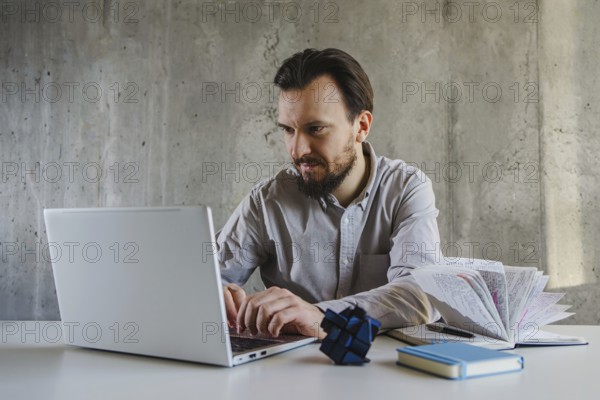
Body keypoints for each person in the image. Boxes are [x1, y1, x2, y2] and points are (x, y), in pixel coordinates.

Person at [217, 48, 441, 340]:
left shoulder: (406, 189)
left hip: (386, 370)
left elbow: (421, 295)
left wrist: (321, 317)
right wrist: (214, 296)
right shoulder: (267, 201)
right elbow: (205, 280)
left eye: (316, 129)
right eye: (288, 130)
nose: (298, 151)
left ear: (361, 126)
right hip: (291, 374)